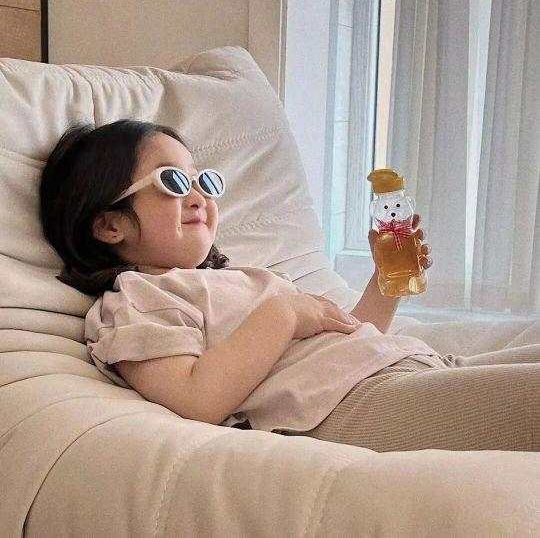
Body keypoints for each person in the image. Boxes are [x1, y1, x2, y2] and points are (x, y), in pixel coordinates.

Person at [39, 118, 539, 452]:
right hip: (351, 407)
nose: (198, 197)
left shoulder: (244, 279)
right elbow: (195, 400)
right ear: (109, 225)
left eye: (204, 181)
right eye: (172, 182)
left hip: (408, 366)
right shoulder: (138, 299)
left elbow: (349, 335)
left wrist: (387, 282)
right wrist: (284, 314)